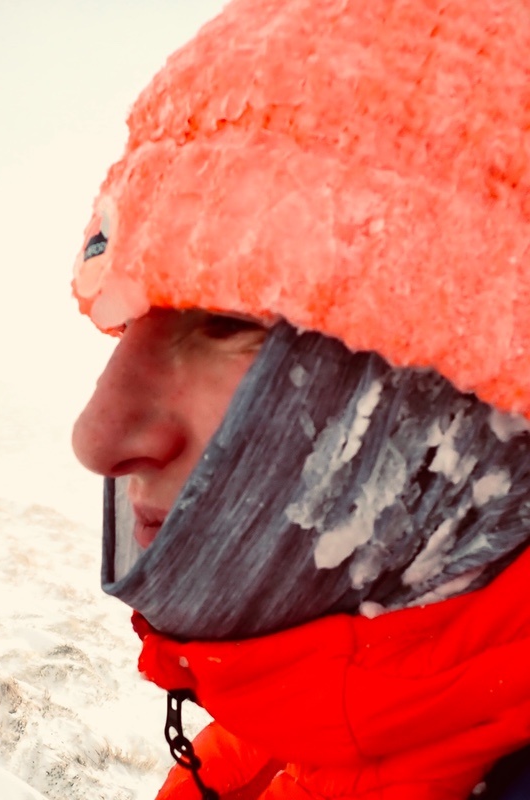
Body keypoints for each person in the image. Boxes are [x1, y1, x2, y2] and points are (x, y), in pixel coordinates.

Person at [70, 0, 530, 797]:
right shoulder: (265, 751)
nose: (96, 437)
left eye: (230, 320)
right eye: (130, 323)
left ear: (483, 411)